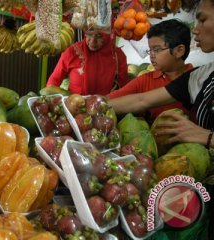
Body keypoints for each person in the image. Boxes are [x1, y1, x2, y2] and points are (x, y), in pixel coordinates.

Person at [108, 0, 213, 148]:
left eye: (202, 20)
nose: (195, 30)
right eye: (151, 50)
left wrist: (208, 137)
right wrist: (91, 105)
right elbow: (141, 100)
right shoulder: (198, 77)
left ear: (179, 50)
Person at [107, 19, 193, 123]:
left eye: (157, 50)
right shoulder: (145, 80)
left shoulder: (196, 79)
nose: (152, 55)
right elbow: (111, 99)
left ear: (179, 51)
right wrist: (91, 102)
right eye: (150, 50)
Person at [46, 29, 129, 95]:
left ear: (107, 35)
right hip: (74, 107)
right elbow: (54, 80)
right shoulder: (72, 52)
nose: (93, 41)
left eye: (99, 36)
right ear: (85, 33)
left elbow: (125, 89)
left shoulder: (118, 55)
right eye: (89, 34)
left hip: (103, 109)